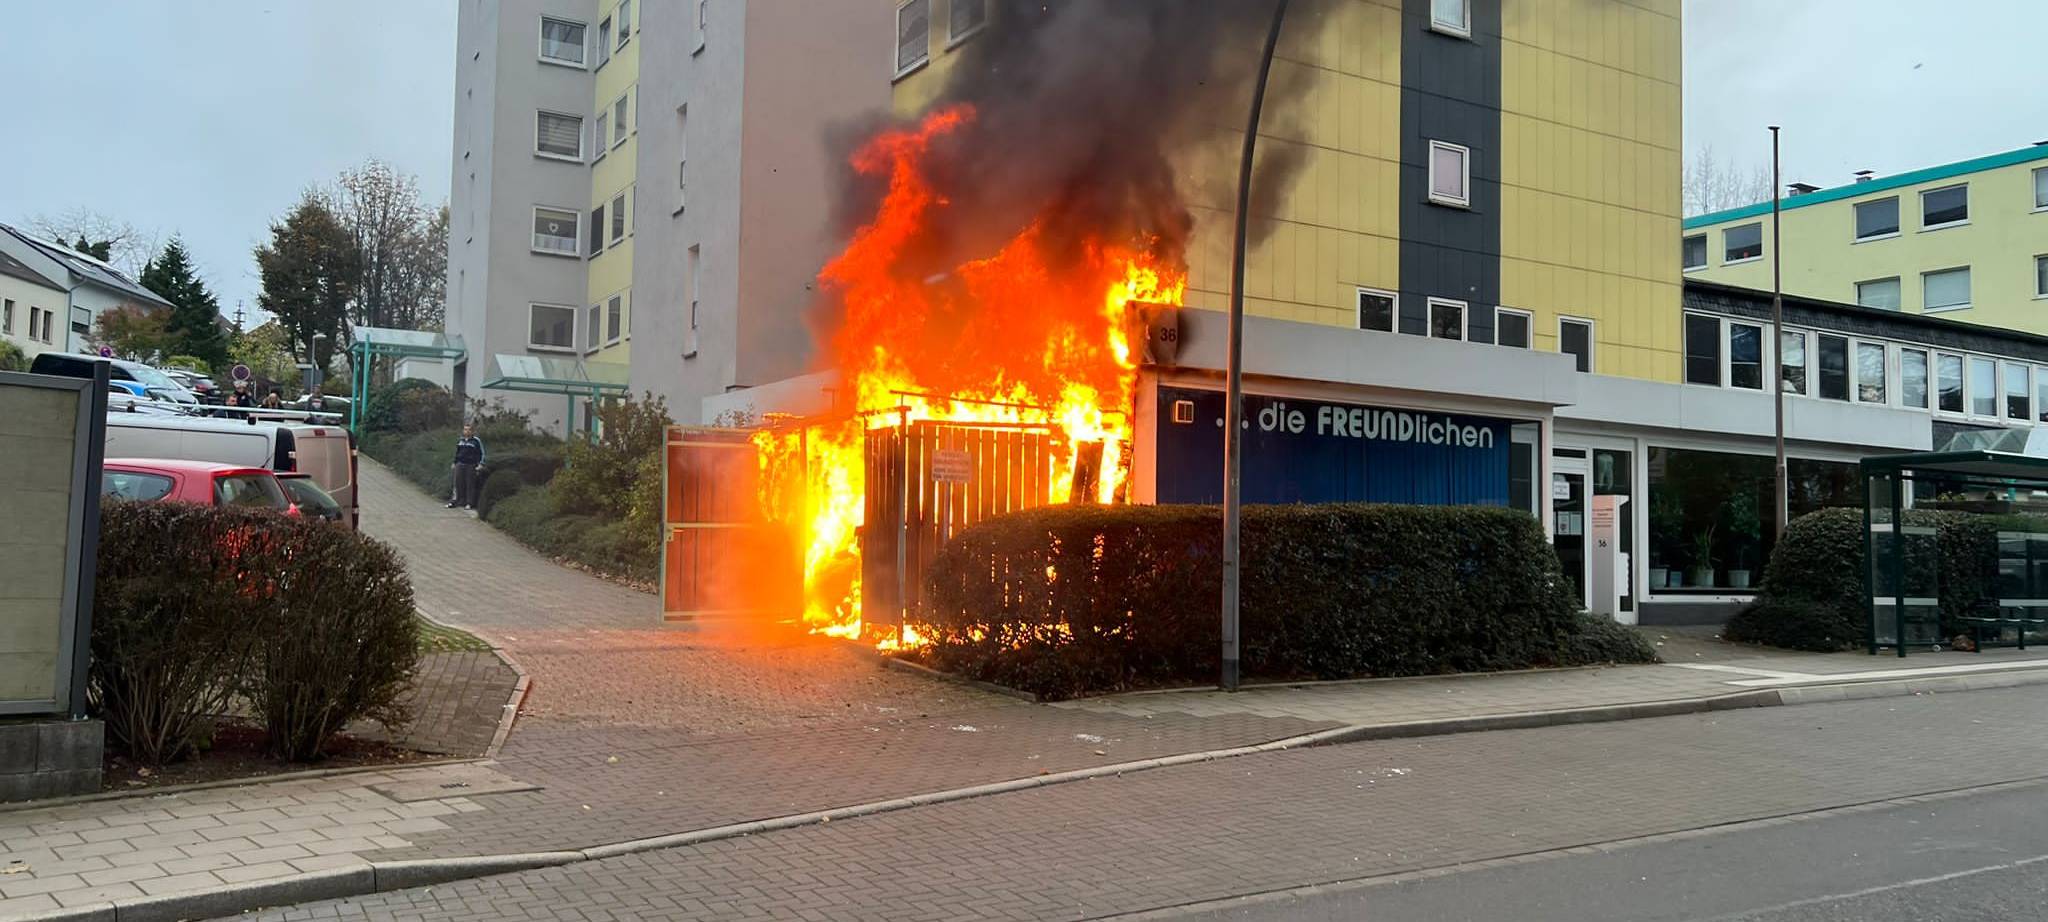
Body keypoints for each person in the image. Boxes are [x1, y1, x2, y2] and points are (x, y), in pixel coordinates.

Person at [448, 423, 486, 510]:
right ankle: (455, 501)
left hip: (471, 465)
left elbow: (482, 453)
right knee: (457, 483)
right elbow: (457, 453)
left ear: (472, 431)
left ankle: (469, 503)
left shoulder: (476, 441)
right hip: (460, 464)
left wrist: (481, 464)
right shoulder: (460, 440)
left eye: (469, 430)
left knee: (470, 484)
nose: (467, 431)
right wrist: (454, 462)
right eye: (465, 429)